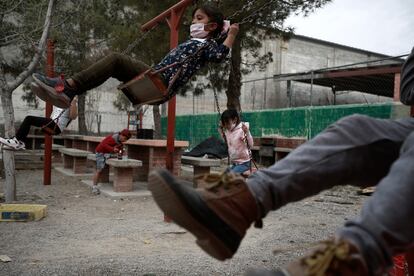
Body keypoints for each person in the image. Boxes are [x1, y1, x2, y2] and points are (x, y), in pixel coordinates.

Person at [148, 46, 414, 276]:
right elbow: (408, 89)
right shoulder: (227, 132)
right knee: (357, 129)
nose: (229, 123)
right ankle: (236, 207)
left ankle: (351, 259)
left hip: (244, 160)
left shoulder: (242, 130)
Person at [30, 4, 239, 109]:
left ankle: (68, 86)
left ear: (211, 26)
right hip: (155, 76)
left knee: (115, 59)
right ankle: (69, 91)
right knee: (113, 66)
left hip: (162, 82)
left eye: (199, 18)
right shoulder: (196, 42)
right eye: (194, 18)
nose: (193, 22)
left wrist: (230, 35)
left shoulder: (208, 45)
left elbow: (220, 55)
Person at [0, 91, 78, 150]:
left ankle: (17, 141)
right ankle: (18, 142)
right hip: (53, 122)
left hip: (56, 125)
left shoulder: (72, 102)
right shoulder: (63, 101)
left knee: (28, 119)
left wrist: (74, 101)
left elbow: (73, 116)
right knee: (29, 119)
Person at [92, 129, 132, 195]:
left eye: (126, 140)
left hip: (107, 153)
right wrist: (113, 149)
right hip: (100, 153)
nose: (125, 141)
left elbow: (119, 149)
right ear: (121, 135)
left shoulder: (120, 142)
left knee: (120, 157)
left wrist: (121, 151)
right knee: (99, 170)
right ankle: (94, 187)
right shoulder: (112, 138)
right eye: (124, 138)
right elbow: (103, 144)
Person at [219, 109, 253, 174]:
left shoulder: (241, 130)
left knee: (230, 176)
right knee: (223, 176)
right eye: (224, 124)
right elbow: (226, 141)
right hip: (235, 163)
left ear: (235, 120)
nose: (226, 126)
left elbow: (250, 145)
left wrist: (247, 133)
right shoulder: (228, 131)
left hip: (244, 163)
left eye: (227, 123)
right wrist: (221, 129)